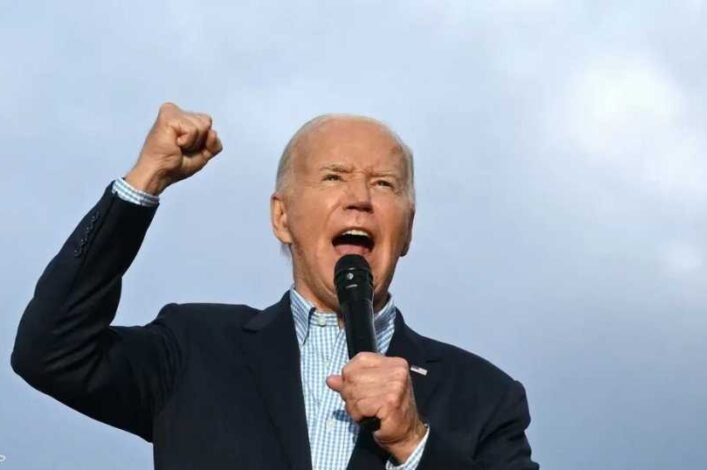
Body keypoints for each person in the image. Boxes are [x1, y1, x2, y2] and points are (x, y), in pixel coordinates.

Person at [11, 103, 539, 469]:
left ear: (408, 229)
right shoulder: (195, 349)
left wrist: (413, 443)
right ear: (282, 218)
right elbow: (51, 352)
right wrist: (145, 180)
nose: (360, 198)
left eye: (384, 184)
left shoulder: (484, 396)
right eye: (334, 177)